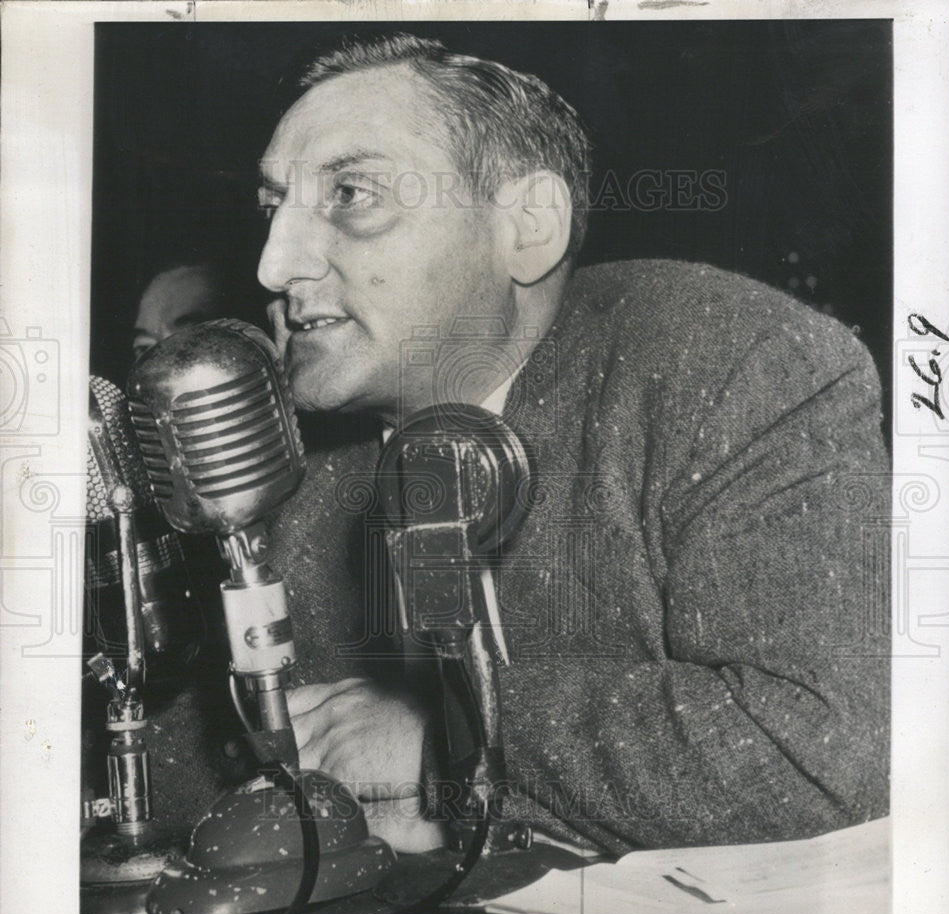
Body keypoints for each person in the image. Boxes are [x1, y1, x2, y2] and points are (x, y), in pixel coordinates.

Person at [248, 33, 890, 855]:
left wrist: (447, 744)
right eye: (272, 210)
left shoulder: (729, 362)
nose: (274, 264)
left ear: (528, 226)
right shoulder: (290, 456)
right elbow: (197, 763)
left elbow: (826, 748)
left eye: (351, 194)